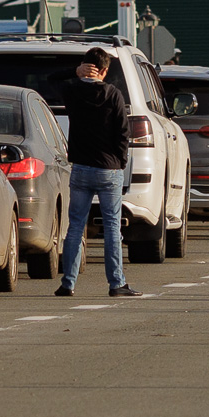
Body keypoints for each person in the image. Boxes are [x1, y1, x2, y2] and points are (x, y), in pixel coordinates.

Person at [54, 47, 139, 298]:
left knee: (75, 227)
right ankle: (116, 283)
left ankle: (68, 283)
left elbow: (50, 79)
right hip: (108, 168)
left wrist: (74, 72)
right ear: (104, 71)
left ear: (85, 67)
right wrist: (121, 161)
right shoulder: (113, 94)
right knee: (112, 226)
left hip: (80, 167)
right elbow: (123, 132)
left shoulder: (72, 91)